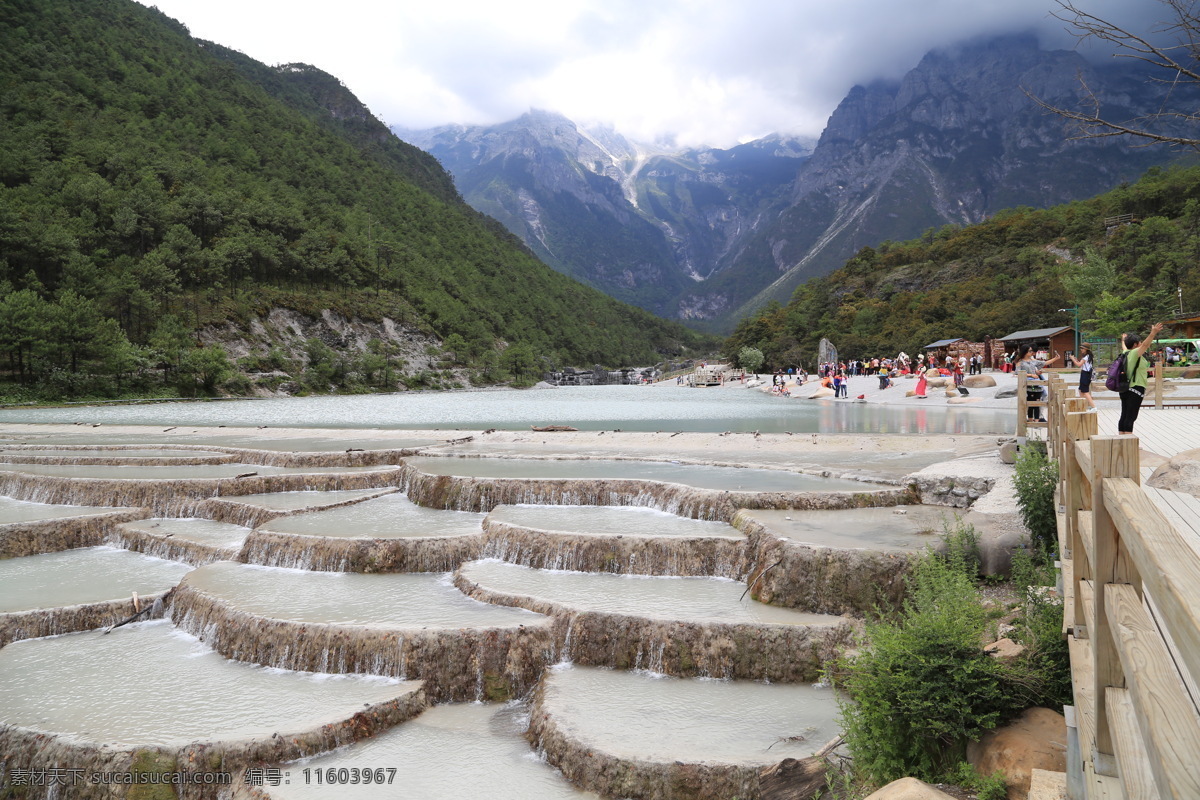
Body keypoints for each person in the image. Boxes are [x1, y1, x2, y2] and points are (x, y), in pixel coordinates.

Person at [1117, 322, 1165, 435]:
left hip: (1125, 388)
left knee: (1125, 414)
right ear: (1135, 345)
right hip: (1136, 387)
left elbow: (1124, 346)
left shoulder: (1126, 353)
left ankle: (1122, 439)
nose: (1141, 344)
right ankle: (1128, 442)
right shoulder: (1134, 353)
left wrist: (1123, 340)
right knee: (1131, 416)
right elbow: (1145, 345)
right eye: (1139, 342)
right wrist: (1153, 333)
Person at [1015, 345, 1062, 421]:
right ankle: (1030, 420)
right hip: (1027, 384)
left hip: (1037, 384)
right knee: (1030, 402)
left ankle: (1037, 421)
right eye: (1029, 351)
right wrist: (1031, 375)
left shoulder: (1033, 361)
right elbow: (1017, 373)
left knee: (1037, 402)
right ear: (1025, 351)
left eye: (1031, 351)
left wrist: (1055, 358)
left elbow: (1044, 363)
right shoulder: (1020, 362)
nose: (1031, 352)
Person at [1068, 345, 1096, 409]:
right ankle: (1083, 405)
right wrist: (1075, 360)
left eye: (1082, 348)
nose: (1081, 349)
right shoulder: (1088, 356)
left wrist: (1072, 359)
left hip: (1085, 374)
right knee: (1080, 390)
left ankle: (1093, 407)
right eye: (1081, 348)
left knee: (1085, 391)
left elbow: (1079, 365)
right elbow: (1081, 364)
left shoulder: (1086, 357)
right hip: (1086, 374)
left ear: (1086, 349)